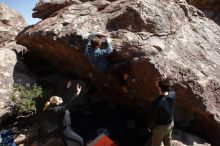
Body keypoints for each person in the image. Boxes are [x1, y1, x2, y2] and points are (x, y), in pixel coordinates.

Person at [146, 77, 176, 146]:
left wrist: (150, 127)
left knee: (156, 144)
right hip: (170, 123)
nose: (155, 83)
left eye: (157, 83)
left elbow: (153, 117)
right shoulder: (173, 94)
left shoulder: (157, 103)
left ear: (159, 88)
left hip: (160, 128)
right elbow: (169, 89)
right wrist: (164, 81)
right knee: (168, 140)